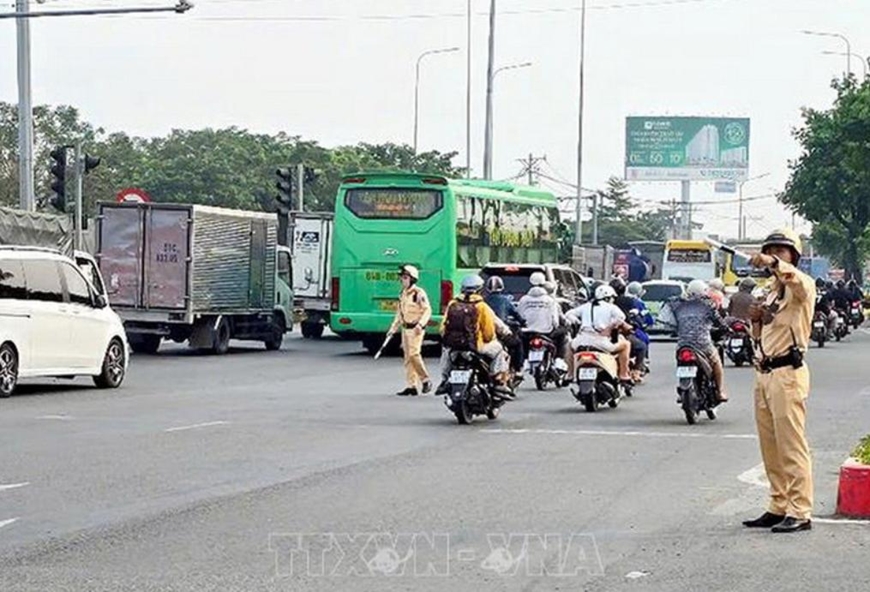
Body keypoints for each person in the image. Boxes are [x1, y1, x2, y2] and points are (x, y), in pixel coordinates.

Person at [743, 228, 816, 534]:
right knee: (770, 446)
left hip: (788, 373)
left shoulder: (802, 285)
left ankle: (800, 510)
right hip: (765, 372)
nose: (774, 254)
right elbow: (762, 336)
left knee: (791, 445)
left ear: (793, 256)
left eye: (780, 250)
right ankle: (778, 504)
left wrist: (773, 263)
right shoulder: (770, 291)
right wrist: (756, 321)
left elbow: (796, 280)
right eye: (770, 249)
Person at [436, 275, 512, 396]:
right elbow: (488, 333)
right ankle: (498, 381)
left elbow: (442, 328)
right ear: (480, 290)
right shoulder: (481, 306)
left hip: (454, 346)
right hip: (476, 346)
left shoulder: (452, 304)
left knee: (446, 351)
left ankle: (444, 380)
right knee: (499, 351)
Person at [659, 279, 728, 402]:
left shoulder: (677, 304)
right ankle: (719, 391)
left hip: (683, 343)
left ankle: (682, 388)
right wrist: (726, 328)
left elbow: (668, 323)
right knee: (716, 362)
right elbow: (719, 321)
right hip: (703, 344)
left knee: (680, 362)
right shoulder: (707, 305)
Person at [566, 284, 633, 383]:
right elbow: (621, 317)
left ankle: (570, 374)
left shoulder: (586, 306)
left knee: (569, 345)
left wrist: (578, 322)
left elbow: (568, 314)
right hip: (601, 342)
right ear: (608, 297)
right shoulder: (611, 307)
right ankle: (624, 374)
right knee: (626, 345)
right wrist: (610, 327)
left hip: (581, 341)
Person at [389, 265, 432, 396]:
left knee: (414, 354)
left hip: (415, 329)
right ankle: (411, 385)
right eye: (402, 277)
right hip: (405, 328)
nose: (402, 280)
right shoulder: (402, 294)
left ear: (412, 279)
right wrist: (393, 329)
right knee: (408, 358)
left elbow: (427, 310)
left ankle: (425, 379)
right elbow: (399, 313)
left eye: (405, 277)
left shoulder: (418, 293)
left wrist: (421, 324)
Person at [517, 272, 568, 365]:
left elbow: (519, 316)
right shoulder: (549, 300)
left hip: (528, 332)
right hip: (547, 332)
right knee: (563, 333)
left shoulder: (524, 299)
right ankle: (558, 359)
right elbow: (555, 321)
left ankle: (522, 361)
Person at [484, 276, 525, 375]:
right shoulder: (505, 300)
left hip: (486, 331)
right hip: (501, 331)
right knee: (518, 343)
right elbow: (515, 313)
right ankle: (518, 368)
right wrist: (522, 322)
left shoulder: (483, 301)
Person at [612, 278, 651, 382]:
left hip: (594, 337)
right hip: (615, 334)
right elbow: (622, 321)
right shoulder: (628, 302)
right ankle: (635, 372)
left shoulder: (593, 305)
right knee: (641, 346)